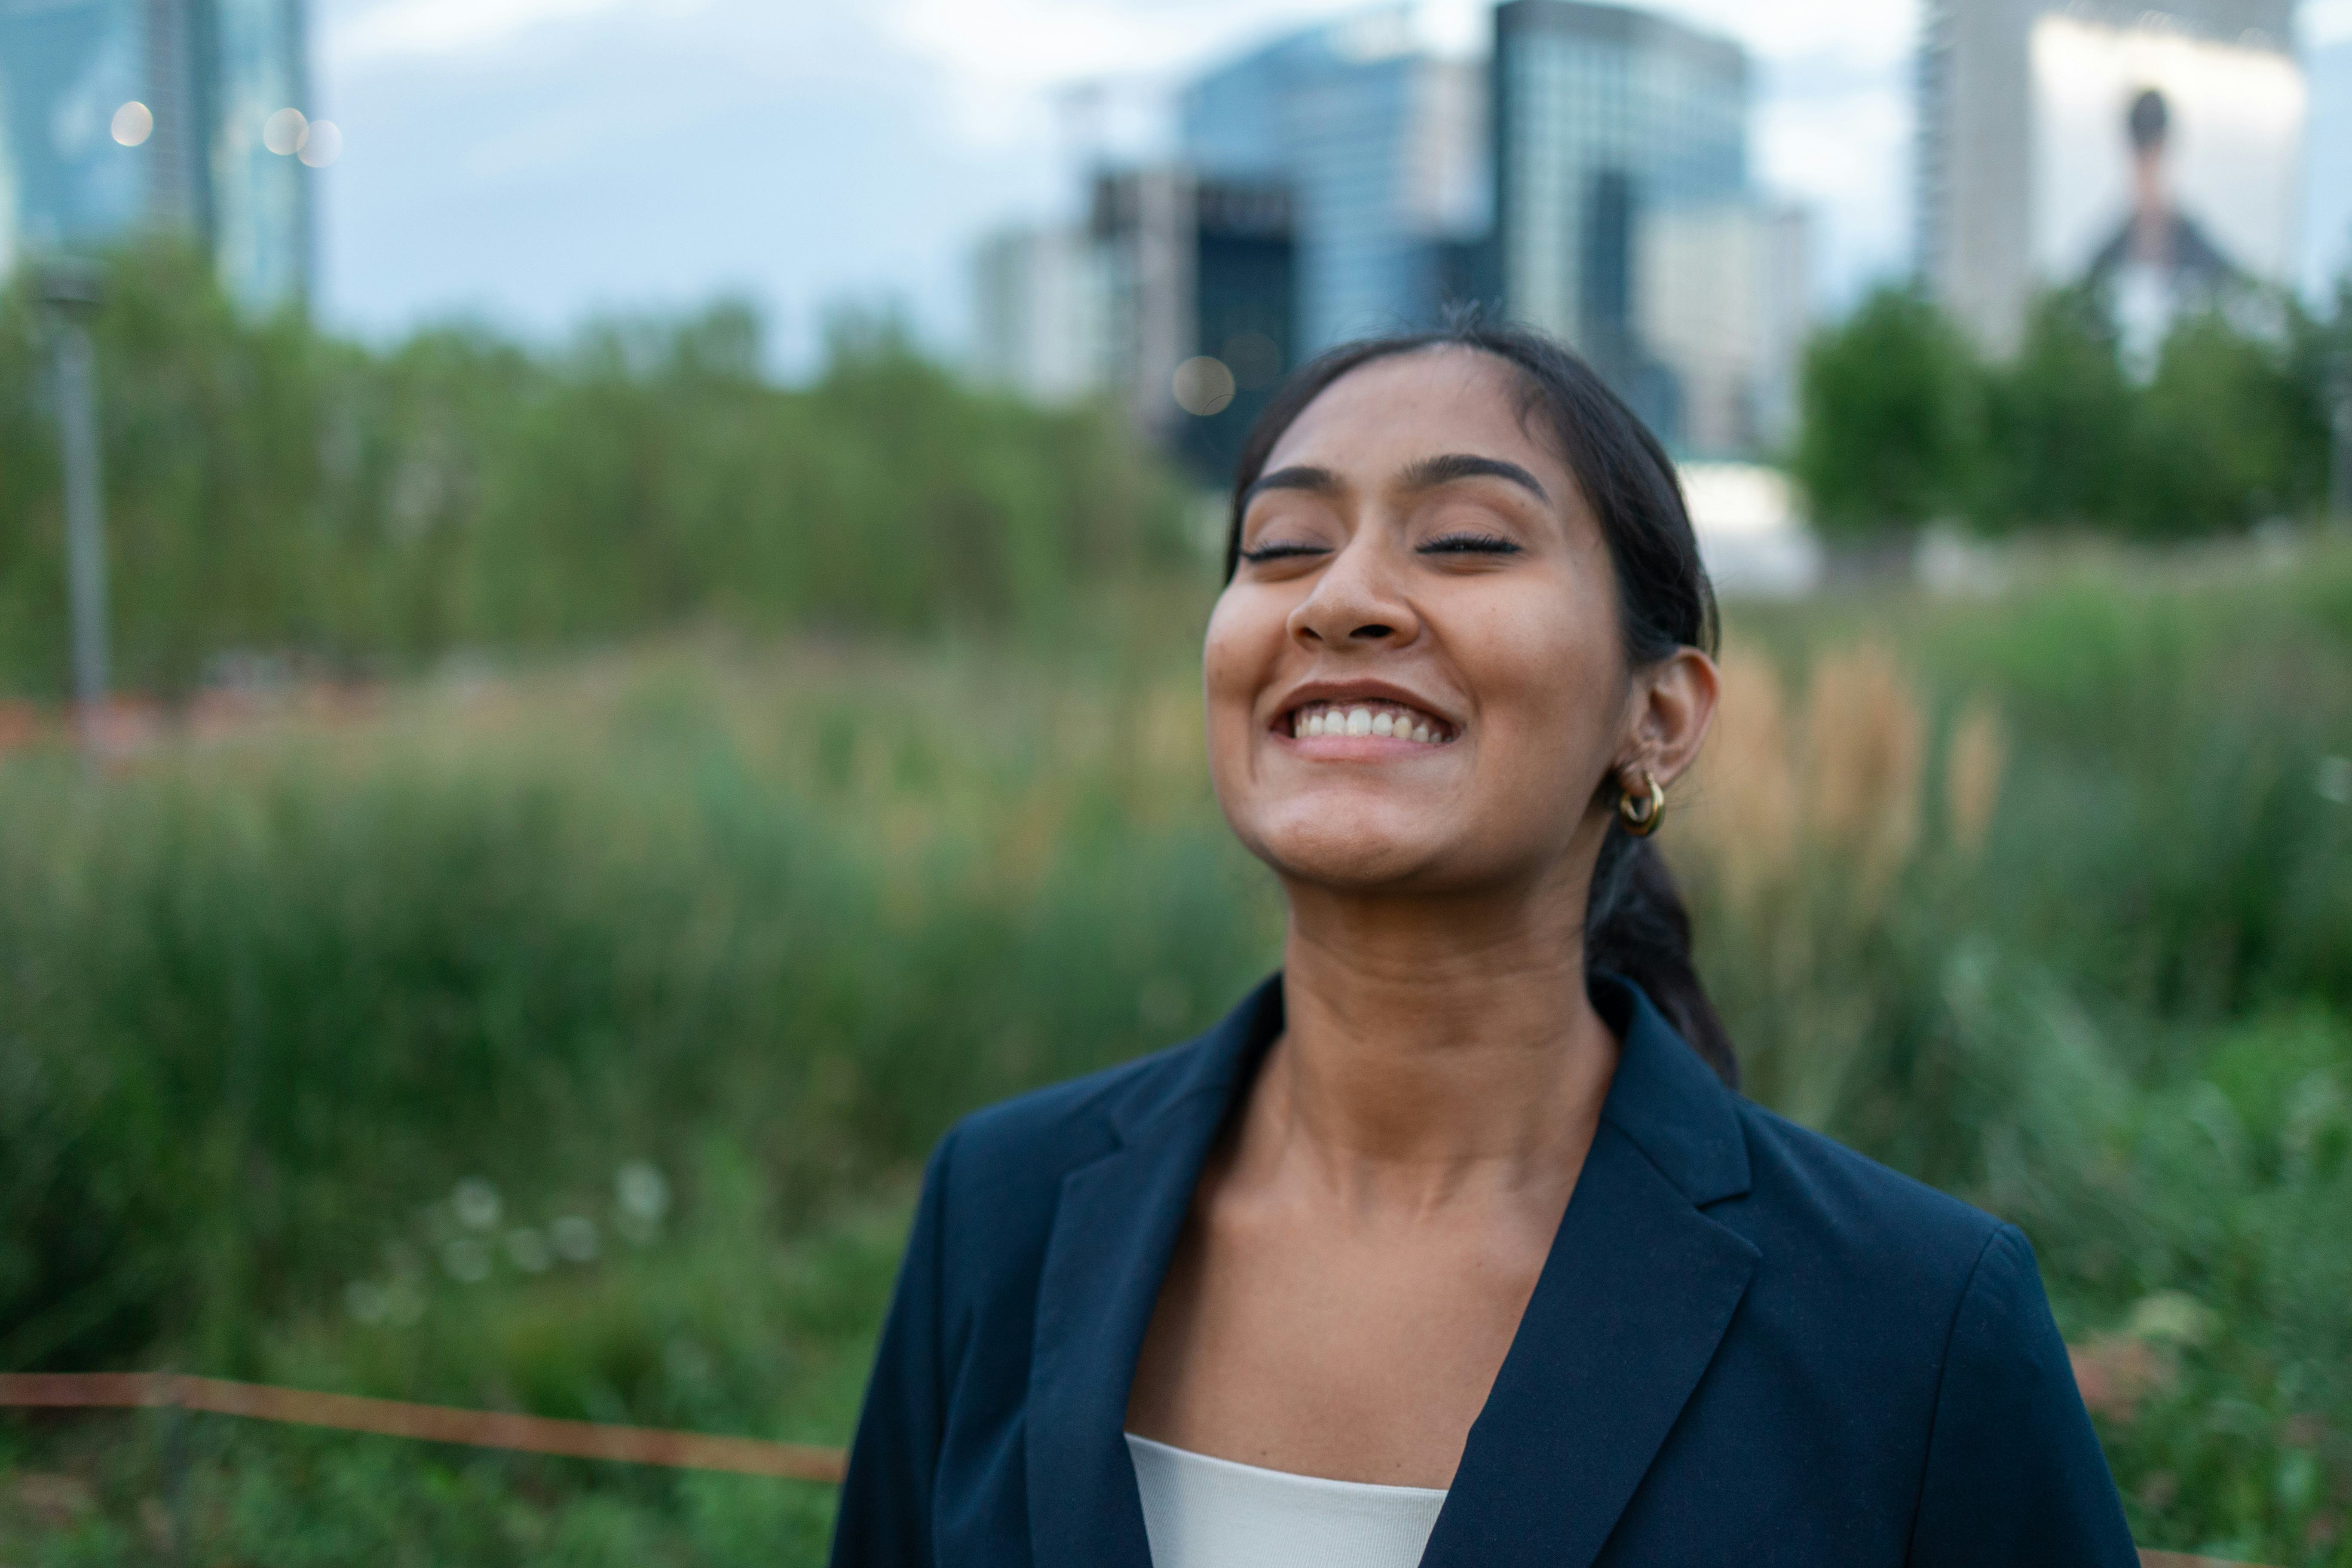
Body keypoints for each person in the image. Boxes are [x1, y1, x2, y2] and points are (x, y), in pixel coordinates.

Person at [829, 324, 2139, 1567]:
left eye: (1463, 539)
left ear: (1660, 717)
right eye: (1281, 546)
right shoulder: (997, 1214)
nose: (1340, 600)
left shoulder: (1915, 1324)